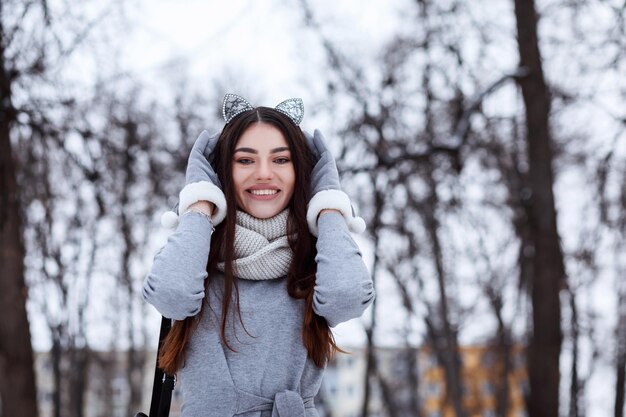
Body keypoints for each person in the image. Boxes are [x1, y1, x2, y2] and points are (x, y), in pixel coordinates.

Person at [143, 94, 374, 417]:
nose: (264, 173)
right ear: (222, 171)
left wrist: (329, 204)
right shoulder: (196, 252)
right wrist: (200, 202)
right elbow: (172, 295)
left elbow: (346, 297)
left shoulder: (316, 258)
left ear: (301, 172)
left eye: (281, 160)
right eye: (245, 160)